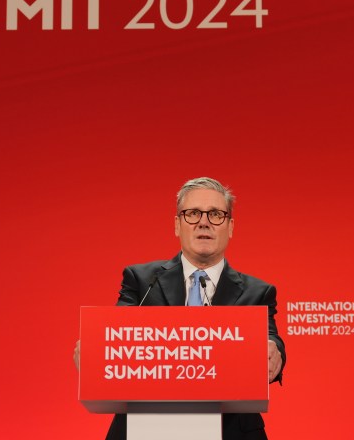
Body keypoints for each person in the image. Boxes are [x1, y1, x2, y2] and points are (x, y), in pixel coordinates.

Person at [75, 176, 285, 440]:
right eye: (193, 213)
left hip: (230, 429)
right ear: (177, 225)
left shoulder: (258, 292)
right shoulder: (142, 280)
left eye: (216, 214)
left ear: (230, 227)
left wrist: (274, 352)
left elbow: (270, 337)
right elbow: (117, 332)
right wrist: (97, 351)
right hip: (146, 426)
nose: (204, 222)